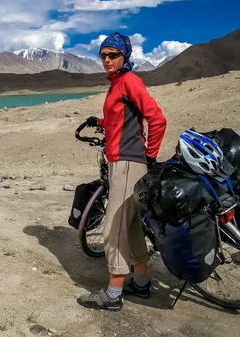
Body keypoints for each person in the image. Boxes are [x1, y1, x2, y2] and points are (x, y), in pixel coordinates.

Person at [77, 32, 167, 311]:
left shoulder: (129, 81)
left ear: (125, 56)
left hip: (128, 163)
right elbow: (120, 119)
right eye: (103, 55)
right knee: (130, 226)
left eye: (113, 55)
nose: (106, 59)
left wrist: (149, 156)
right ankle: (140, 282)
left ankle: (113, 295)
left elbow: (157, 119)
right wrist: (100, 121)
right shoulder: (117, 84)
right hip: (123, 161)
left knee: (113, 229)